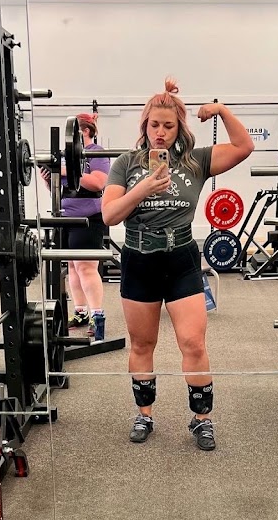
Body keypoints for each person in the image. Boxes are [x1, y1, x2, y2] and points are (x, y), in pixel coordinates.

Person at [102, 78, 253, 450]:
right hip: (139, 260)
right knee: (142, 344)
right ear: (145, 125)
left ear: (178, 128)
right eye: (154, 124)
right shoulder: (126, 164)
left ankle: (202, 420)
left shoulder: (195, 161)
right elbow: (109, 215)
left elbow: (244, 147)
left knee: (193, 343)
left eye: (168, 126)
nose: (160, 132)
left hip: (181, 259)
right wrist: (143, 189)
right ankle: (144, 415)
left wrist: (220, 109)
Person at [41, 113, 110, 340]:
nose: (68, 138)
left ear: (85, 131)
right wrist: (48, 178)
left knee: (86, 267)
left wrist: (64, 170)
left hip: (88, 218)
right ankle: (81, 312)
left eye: (72, 132)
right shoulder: (66, 157)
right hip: (64, 217)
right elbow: (61, 189)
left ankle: (97, 316)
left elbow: (98, 182)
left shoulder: (95, 152)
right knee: (72, 266)